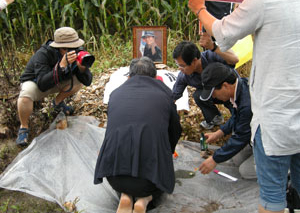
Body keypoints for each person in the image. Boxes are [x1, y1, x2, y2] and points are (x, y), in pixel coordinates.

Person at [188, 0, 300, 213]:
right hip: (292, 114)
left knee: (264, 189)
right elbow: (237, 122)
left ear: (226, 86)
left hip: (275, 120)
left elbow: (225, 32)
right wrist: (220, 134)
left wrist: (200, 9)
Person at [94, 57, 182, 213]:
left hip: (114, 175)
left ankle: (125, 196)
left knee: (127, 174)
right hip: (149, 180)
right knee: (155, 182)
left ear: (129, 77)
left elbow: (112, 129)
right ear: (155, 77)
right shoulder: (166, 94)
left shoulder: (115, 94)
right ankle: (144, 200)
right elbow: (175, 131)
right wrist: (167, 152)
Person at [16, 27, 93, 146]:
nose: (72, 51)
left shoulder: (78, 51)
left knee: (78, 81)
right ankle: (24, 127)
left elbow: (87, 81)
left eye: (74, 47)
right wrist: (61, 65)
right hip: (36, 83)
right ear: (57, 47)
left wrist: (82, 68)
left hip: (58, 81)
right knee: (26, 95)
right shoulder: (43, 54)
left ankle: (58, 103)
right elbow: (42, 84)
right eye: (67, 49)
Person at [197, 63, 255, 179]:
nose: (213, 97)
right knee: (237, 159)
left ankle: (285, 168)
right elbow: (236, 117)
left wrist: (214, 159)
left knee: (245, 171)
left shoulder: (247, 103)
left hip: (270, 140)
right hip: (252, 135)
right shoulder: (239, 89)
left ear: (225, 86)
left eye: (213, 93)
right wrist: (219, 133)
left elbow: (241, 136)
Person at [172, 41, 239, 129]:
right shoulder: (184, 75)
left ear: (194, 61)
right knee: (198, 95)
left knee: (240, 122)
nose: (180, 69)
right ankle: (214, 118)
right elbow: (174, 95)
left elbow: (234, 60)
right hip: (211, 93)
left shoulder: (212, 56)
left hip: (231, 92)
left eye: (182, 66)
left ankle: (237, 117)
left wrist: (214, 47)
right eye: (178, 65)